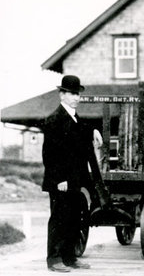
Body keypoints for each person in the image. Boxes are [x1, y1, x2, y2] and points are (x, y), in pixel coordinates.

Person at [42, 75, 95, 272]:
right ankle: (54, 260)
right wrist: (59, 179)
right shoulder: (54, 120)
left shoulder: (74, 117)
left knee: (73, 218)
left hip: (74, 180)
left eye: (78, 93)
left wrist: (94, 131)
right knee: (59, 219)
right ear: (62, 95)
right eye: (72, 93)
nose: (77, 97)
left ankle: (70, 257)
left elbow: (81, 131)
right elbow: (50, 155)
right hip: (61, 181)